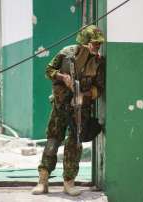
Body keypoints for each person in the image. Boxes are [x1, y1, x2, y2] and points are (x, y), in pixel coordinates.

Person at [31, 25, 105, 196]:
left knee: (74, 146)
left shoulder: (98, 62)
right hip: (59, 107)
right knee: (52, 142)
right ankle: (43, 181)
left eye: (99, 44)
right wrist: (62, 77)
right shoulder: (66, 54)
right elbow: (48, 70)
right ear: (85, 42)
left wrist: (84, 94)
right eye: (94, 43)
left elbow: (99, 88)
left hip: (79, 110)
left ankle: (69, 182)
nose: (97, 47)